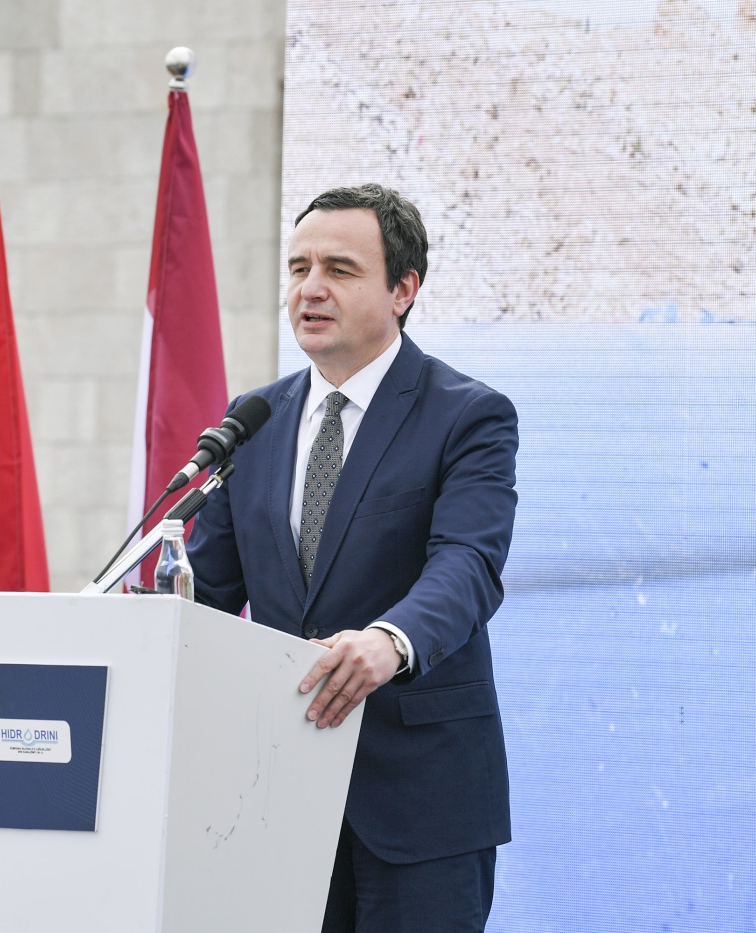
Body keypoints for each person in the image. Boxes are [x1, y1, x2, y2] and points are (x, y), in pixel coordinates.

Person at [185, 183, 517, 932]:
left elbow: (468, 562)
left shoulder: (468, 415)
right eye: (298, 268)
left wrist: (389, 641)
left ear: (403, 290)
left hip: (422, 803)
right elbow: (206, 594)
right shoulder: (252, 422)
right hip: (278, 795)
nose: (310, 289)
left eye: (339, 269)